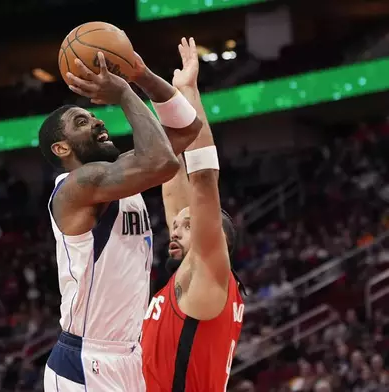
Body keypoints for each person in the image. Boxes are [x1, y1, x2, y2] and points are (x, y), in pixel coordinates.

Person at [39, 45, 203, 392]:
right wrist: (126, 92)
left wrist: (142, 75)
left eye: (92, 115)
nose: (98, 119)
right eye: (81, 122)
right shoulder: (76, 187)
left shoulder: (122, 173)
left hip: (129, 354)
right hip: (85, 361)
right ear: (61, 148)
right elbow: (163, 162)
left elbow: (188, 129)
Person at [141, 38, 245, 392]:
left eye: (188, 225)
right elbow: (172, 177)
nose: (176, 228)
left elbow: (202, 177)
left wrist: (183, 94)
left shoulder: (210, 275)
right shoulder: (190, 277)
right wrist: (176, 101)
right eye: (178, 224)